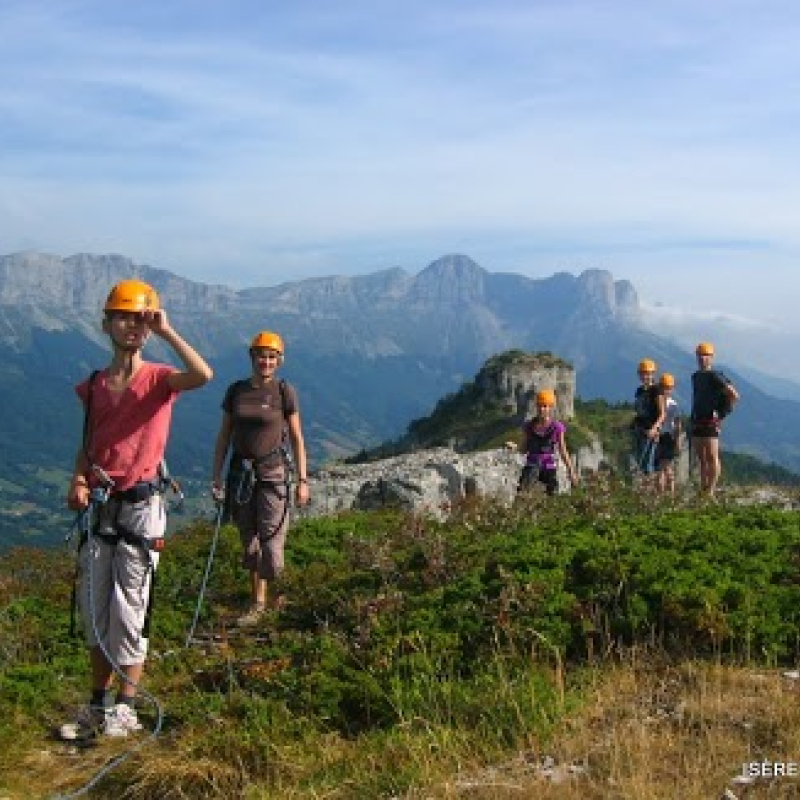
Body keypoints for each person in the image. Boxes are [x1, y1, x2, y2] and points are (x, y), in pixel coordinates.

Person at [61, 279, 213, 740]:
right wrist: (78, 479)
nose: (133, 325)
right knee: (97, 610)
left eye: (140, 318)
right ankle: (97, 703)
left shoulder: (159, 380)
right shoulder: (94, 385)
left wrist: (167, 330)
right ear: (107, 323)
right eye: (124, 317)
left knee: (131, 608)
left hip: (141, 506)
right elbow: (91, 442)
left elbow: (203, 374)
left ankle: (126, 706)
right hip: (103, 506)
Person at [212, 331, 309, 627]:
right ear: (252, 357)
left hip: (273, 473)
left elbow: (296, 437)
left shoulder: (283, 392)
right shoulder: (236, 392)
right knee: (249, 541)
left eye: (271, 357)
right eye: (261, 356)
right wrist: (216, 475)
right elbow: (224, 436)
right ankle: (259, 601)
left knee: (271, 541)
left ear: (279, 361)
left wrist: (303, 480)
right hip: (241, 474)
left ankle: (277, 594)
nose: (265, 361)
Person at [690, 342, 739, 497]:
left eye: (705, 356)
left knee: (712, 456)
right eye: (700, 355)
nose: (702, 358)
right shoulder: (696, 376)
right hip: (697, 418)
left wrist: (722, 413)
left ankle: (710, 490)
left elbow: (734, 395)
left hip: (711, 420)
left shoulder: (715, 376)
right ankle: (703, 488)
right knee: (701, 458)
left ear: (711, 358)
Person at [517, 389, 578, 496]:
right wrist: (514, 447)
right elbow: (523, 449)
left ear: (550, 407)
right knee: (523, 494)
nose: (542, 409)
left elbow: (563, 451)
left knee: (552, 496)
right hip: (532, 464)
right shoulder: (528, 426)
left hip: (548, 466)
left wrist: (571, 471)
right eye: (540, 405)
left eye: (545, 406)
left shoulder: (557, 427)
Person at [632, 359, 666, 487]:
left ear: (653, 374)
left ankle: (649, 492)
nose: (645, 376)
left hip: (651, 431)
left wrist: (655, 428)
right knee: (640, 461)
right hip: (640, 429)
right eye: (643, 373)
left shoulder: (656, 390)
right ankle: (645, 490)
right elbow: (638, 411)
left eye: (648, 373)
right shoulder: (639, 391)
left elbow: (662, 413)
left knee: (648, 463)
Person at [655, 372, 682, 496]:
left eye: (668, 387)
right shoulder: (670, 403)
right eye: (665, 387)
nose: (666, 390)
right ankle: (669, 495)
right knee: (664, 468)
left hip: (666, 437)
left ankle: (665, 495)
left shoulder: (672, 404)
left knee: (662, 468)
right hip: (662, 437)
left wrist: (676, 441)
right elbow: (678, 424)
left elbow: (677, 425)